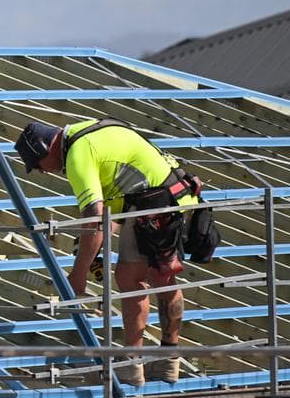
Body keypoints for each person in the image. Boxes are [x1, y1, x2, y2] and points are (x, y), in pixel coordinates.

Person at [14, 118, 202, 386]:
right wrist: (94, 242)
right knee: (163, 278)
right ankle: (168, 360)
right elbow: (115, 202)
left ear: (46, 148)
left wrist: (77, 277)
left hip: (154, 204)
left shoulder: (78, 155)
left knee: (130, 278)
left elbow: (95, 221)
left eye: (37, 165)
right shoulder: (87, 132)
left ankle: (131, 364)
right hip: (176, 196)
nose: (41, 172)